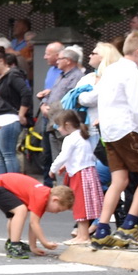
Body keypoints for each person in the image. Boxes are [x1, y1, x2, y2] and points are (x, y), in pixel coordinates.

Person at [91, 33, 138, 248]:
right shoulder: (132, 72)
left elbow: (98, 97)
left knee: (119, 180)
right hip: (127, 128)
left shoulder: (110, 69)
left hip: (109, 131)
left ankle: (102, 228)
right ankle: (129, 226)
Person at [0, 173, 72, 259]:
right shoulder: (41, 197)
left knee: (15, 215)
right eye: (59, 209)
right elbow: (34, 223)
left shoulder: (44, 196)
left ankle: (11, 241)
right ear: (55, 200)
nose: (57, 212)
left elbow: (33, 225)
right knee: (21, 210)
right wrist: (44, 242)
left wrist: (33, 247)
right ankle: (14, 245)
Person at [48, 108, 101, 244]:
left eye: (58, 125)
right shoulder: (82, 136)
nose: (58, 129)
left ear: (67, 125)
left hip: (79, 174)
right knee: (83, 204)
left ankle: (83, 236)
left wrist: (53, 168)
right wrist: (66, 166)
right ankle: (82, 235)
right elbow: (83, 155)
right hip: (86, 171)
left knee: (80, 204)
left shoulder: (70, 138)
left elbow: (63, 155)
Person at [38, 44, 85, 180]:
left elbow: (69, 100)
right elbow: (51, 92)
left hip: (64, 123)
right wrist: (43, 104)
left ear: (68, 61)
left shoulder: (76, 77)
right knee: (54, 157)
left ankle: (65, 191)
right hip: (54, 122)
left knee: (64, 157)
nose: (57, 61)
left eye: (60, 58)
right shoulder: (61, 75)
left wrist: (50, 109)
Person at [0, 50, 32, 176]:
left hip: (8, 117)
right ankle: (2, 184)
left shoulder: (13, 75)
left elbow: (26, 93)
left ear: (1, 61)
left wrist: (21, 114)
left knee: (8, 154)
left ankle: (13, 184)